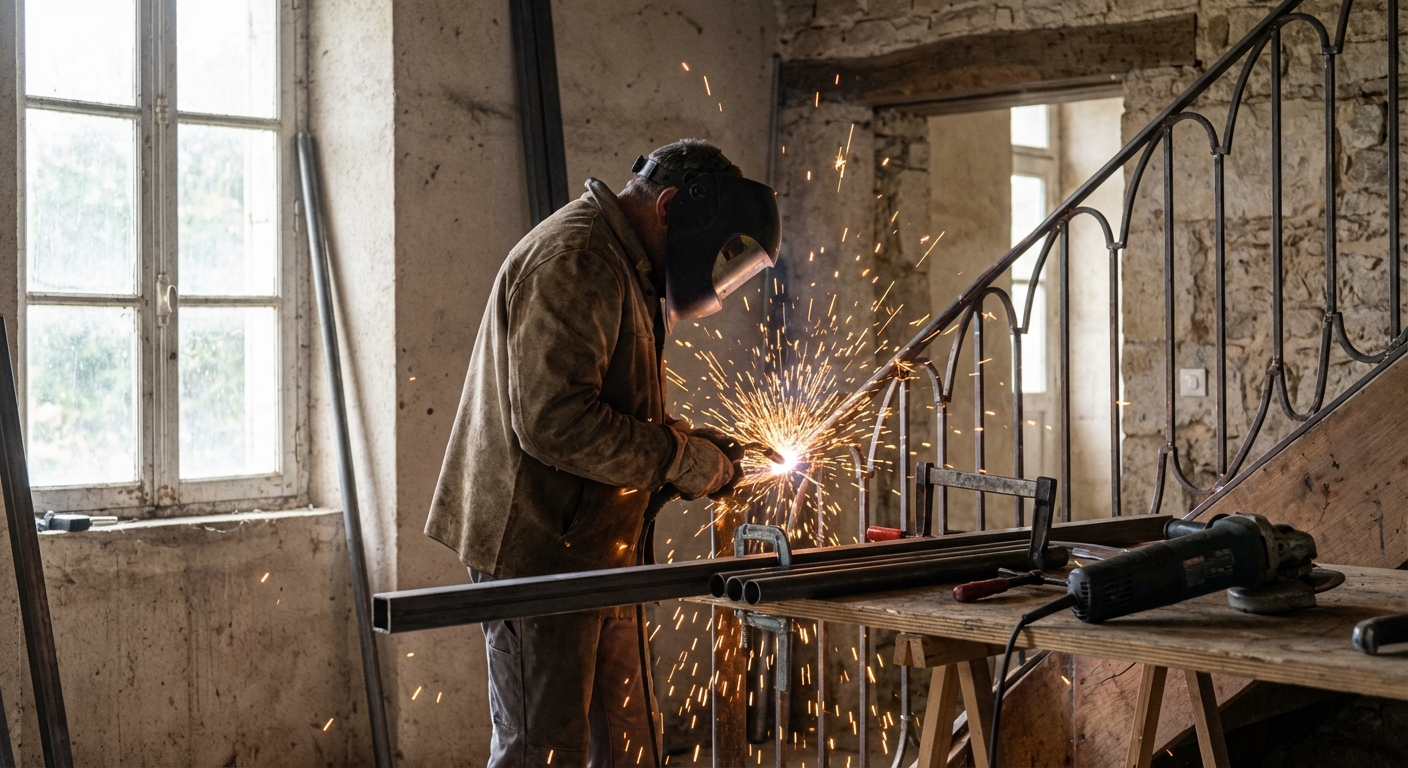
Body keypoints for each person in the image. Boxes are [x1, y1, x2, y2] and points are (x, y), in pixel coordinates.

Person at [425, 139, 780, 767]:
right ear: (670, 206)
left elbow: (619, 403)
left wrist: (689, 443)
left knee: (625, 739)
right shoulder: (577, 258)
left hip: (598, 546)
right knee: (545, 747)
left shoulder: (627, 263)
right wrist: (674, 459)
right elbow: (553, 421)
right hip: (538, 548)